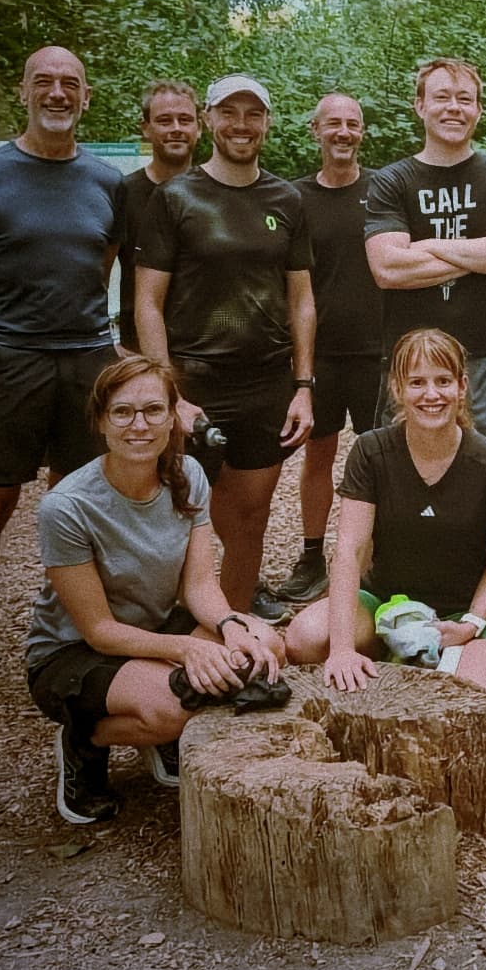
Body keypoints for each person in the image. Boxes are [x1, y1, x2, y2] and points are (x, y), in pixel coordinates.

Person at [0, 44, 124, 713]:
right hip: (11, 362)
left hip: (89, 364)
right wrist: (1, 349)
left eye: (71, 83)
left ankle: (68, 639)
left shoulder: (107, 182)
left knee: (76, 508)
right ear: (24, 91)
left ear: (86, 96)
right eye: (46, 82)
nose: (58, 93)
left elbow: (98, 270)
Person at [26, 356, 285, 823]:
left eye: (152, 410)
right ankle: (84, 739)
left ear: (172, 417)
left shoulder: (188, 475)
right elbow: (100, 630)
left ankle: (164, 724)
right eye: (122, 412)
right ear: (101, 421)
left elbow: (201, 585)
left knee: (264, 645)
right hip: (76, 652)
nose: (138, 425)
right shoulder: (66, 507)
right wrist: (188, 650)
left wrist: (229, 627)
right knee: (173, 707)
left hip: (158, 626)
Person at [134, 74, 316, 617]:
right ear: (209, 119)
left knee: (250, 518)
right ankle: (165, 633)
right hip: (193, 383)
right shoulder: (175, 198)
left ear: (267, 123)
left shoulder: (286, 198)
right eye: (230, 112)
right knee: (174, 516)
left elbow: (302, 300)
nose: (242, 124)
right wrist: (168, 395)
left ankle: (233, 630)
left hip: (265, 383)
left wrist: (302, 386)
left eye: (253, 114)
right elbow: (147, 301)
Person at [365, 57, 486, 602]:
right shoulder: (393, 179)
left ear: (479, 111)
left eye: (465, 99)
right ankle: (381, 591)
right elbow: (387, 268)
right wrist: (481, 252)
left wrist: (428, 248)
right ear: (419, 105)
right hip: (410, 360)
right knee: (389, 477)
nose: (453, 107)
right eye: (441, 96)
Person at [287, 329, 486, 700]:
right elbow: (349, 550)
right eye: (417, 383)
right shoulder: (371, 452)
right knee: (306, 638)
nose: (431, 395)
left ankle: (440, 657)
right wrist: (341, 648)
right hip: (385, 604)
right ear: (397, 389)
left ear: (462, 387)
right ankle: (386, 656)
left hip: (461, 612)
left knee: (481, 695)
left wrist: (471, 623)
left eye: (443, 381)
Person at [273, 92, 385, 610]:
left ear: (363, 132)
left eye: (352, 124)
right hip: (318, 355)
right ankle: (313, 553)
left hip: (379, 350)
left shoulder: (384, 191)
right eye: (333, 124)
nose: (343, 132)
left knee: (383, 456)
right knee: (316, 454)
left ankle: (379, 554)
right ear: (314, 131)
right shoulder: (294, 199)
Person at [115, 80, 200, 355]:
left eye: (185, 120)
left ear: (199, 127)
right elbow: (94, 277)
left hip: (205, 352)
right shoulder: (122, 194)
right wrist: (105, 344)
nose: (176, 128)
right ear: (146, 128)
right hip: (137, 352)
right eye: (164, 120)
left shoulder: (217, 192)